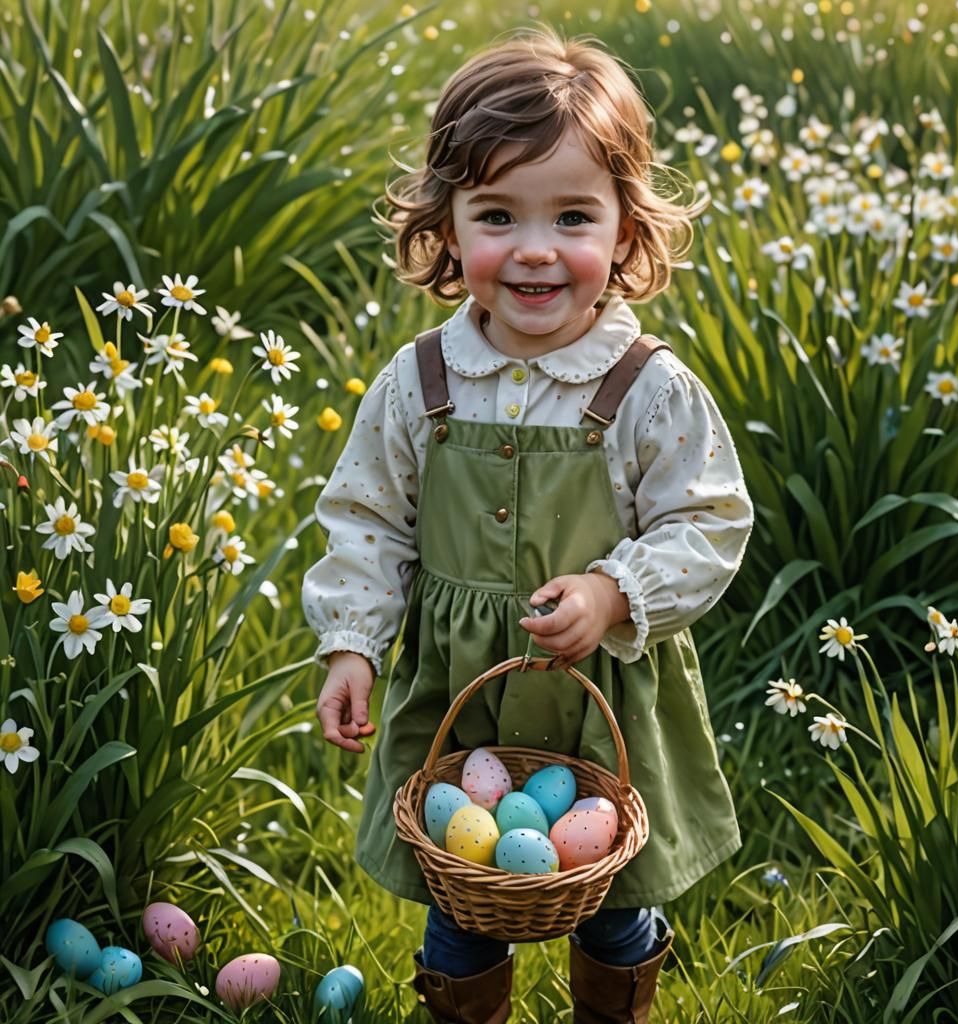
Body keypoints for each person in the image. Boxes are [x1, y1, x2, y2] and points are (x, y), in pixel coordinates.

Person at [302, 24, 754, 1024]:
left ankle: (613, 1004)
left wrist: (615, 589)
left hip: (606, 699)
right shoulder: (421, 381)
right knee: (463, 894)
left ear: (625, 233)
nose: (536, 249)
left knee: (611, 900)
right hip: (463, 696)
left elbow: (708, 521)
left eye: (574, 217)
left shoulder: (647, 388)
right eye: (498, 214)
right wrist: (351, 646)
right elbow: (369, 520)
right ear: (448, 228)